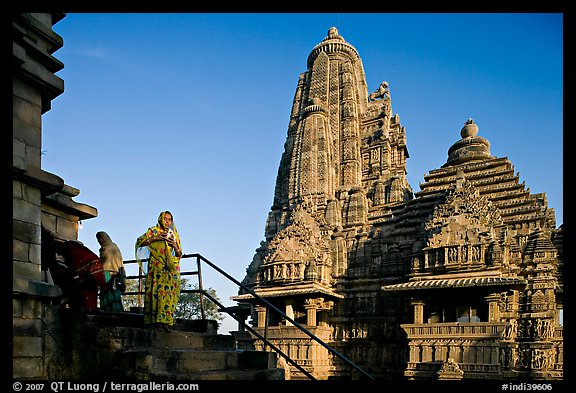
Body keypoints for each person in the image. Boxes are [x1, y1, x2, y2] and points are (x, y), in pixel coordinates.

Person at [135, 211, 183, 332]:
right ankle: (154, 321)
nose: (167, 221)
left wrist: (174, 245)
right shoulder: (153, 231)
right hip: (156, 267)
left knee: (168, 295)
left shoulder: (174, 234)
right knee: (155, 292)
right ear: (161, 219)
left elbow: (179, 254)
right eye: (165, 219)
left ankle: (166, 322)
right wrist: (154, 238)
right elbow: (140, 242)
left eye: (169, 219)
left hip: (170, 269)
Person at [96, 231, 125, 312]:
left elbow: (118, 261)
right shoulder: (103, 249)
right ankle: (106, 310)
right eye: (98, 240)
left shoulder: (112, 248)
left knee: (112, 294)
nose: (99, 241)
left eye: (100, 239)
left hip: (111, 275)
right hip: (105, 274)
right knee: (105, 294)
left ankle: (115, 312)